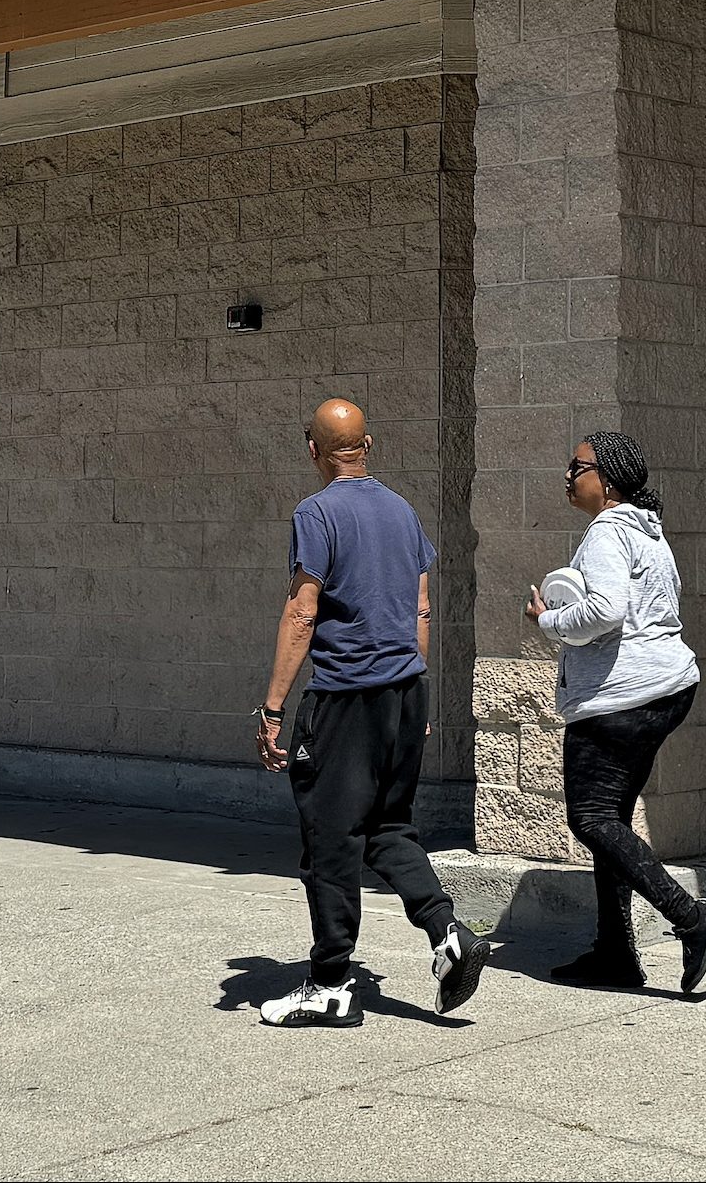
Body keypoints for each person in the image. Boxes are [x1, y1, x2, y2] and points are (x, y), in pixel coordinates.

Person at [254, 397, 488, 1028]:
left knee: (330, 836)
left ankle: (329, 983)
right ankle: (449, 935)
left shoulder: (317, 513)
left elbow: (303, 612)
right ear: (368, 444)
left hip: (347, 697)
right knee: (387, 827)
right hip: (405, 692)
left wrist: (273, 706)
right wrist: (415, 697)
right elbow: (421, 609)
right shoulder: (401, 510)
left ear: (313, 449)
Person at [525, 430, 706, 996]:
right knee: (608, 821)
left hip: (620, 699)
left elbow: (606, 611)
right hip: (666, 690)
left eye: (578, 467)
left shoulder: (607, 532)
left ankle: (692, 917)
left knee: (590, 819)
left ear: (607, 481)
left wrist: (547, 619)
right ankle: (615, 953)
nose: (569, 476)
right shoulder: (649, 533)